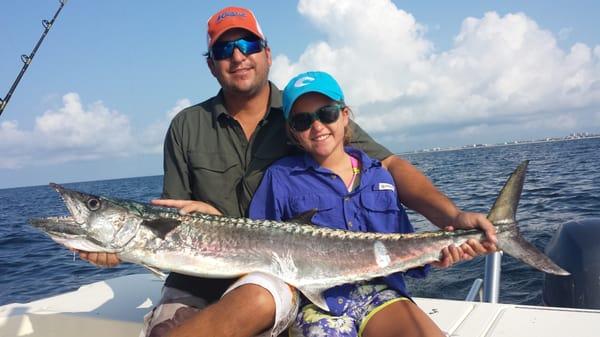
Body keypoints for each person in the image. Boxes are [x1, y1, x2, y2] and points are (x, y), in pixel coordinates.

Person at [76, 6, 497, 337]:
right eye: (224, 49)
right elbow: (167, 223)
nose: (238, 56)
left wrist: (451, 217)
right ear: (211, 64)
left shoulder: (304, 111)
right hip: (199, 277)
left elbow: (388, 165)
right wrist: (118, 248)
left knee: (260, 300)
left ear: (267, 52)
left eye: (248, 44)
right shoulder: (186, 126)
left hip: (283, 272)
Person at [249, 70, 445, 337]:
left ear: (344, 115)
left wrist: (438, 255)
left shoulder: (379, 175)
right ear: (292, 131)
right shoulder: (280, 178)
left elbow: (403, 247)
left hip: (380, 294)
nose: (317, 126)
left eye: (326, 113)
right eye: (302, 121)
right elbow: (255, 245)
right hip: (313, 302)